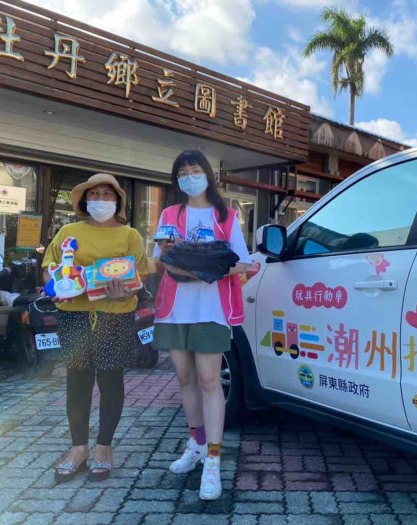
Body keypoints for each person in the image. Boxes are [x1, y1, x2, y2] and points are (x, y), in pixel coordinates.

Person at [153, 150, 250, 500]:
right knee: (185, 378)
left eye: (195, 170)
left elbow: (243, 263)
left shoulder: (226, 215)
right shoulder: (169, 214)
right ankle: (195, 445)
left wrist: (204, 269)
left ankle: (213, 459)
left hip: (211, 310)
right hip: (175, 309)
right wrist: (178, 260)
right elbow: (160, 259)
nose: (189, 177)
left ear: (208, 175)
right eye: (183, 173)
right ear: (176, 180)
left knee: (210, 380)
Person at [43, 173, 148, 484]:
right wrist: (56, 287)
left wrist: (125, 292)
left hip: (114, 315)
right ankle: (78, 448)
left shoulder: (130, 235)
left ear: (118, 201)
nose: (101, 200)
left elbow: (139, 275)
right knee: (77, 380)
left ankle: (104, 448)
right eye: (95, 194)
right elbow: (50, 267)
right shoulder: (68, 231)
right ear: (84, 200)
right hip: (74, 314)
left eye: (107, 194)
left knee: (110, 380)